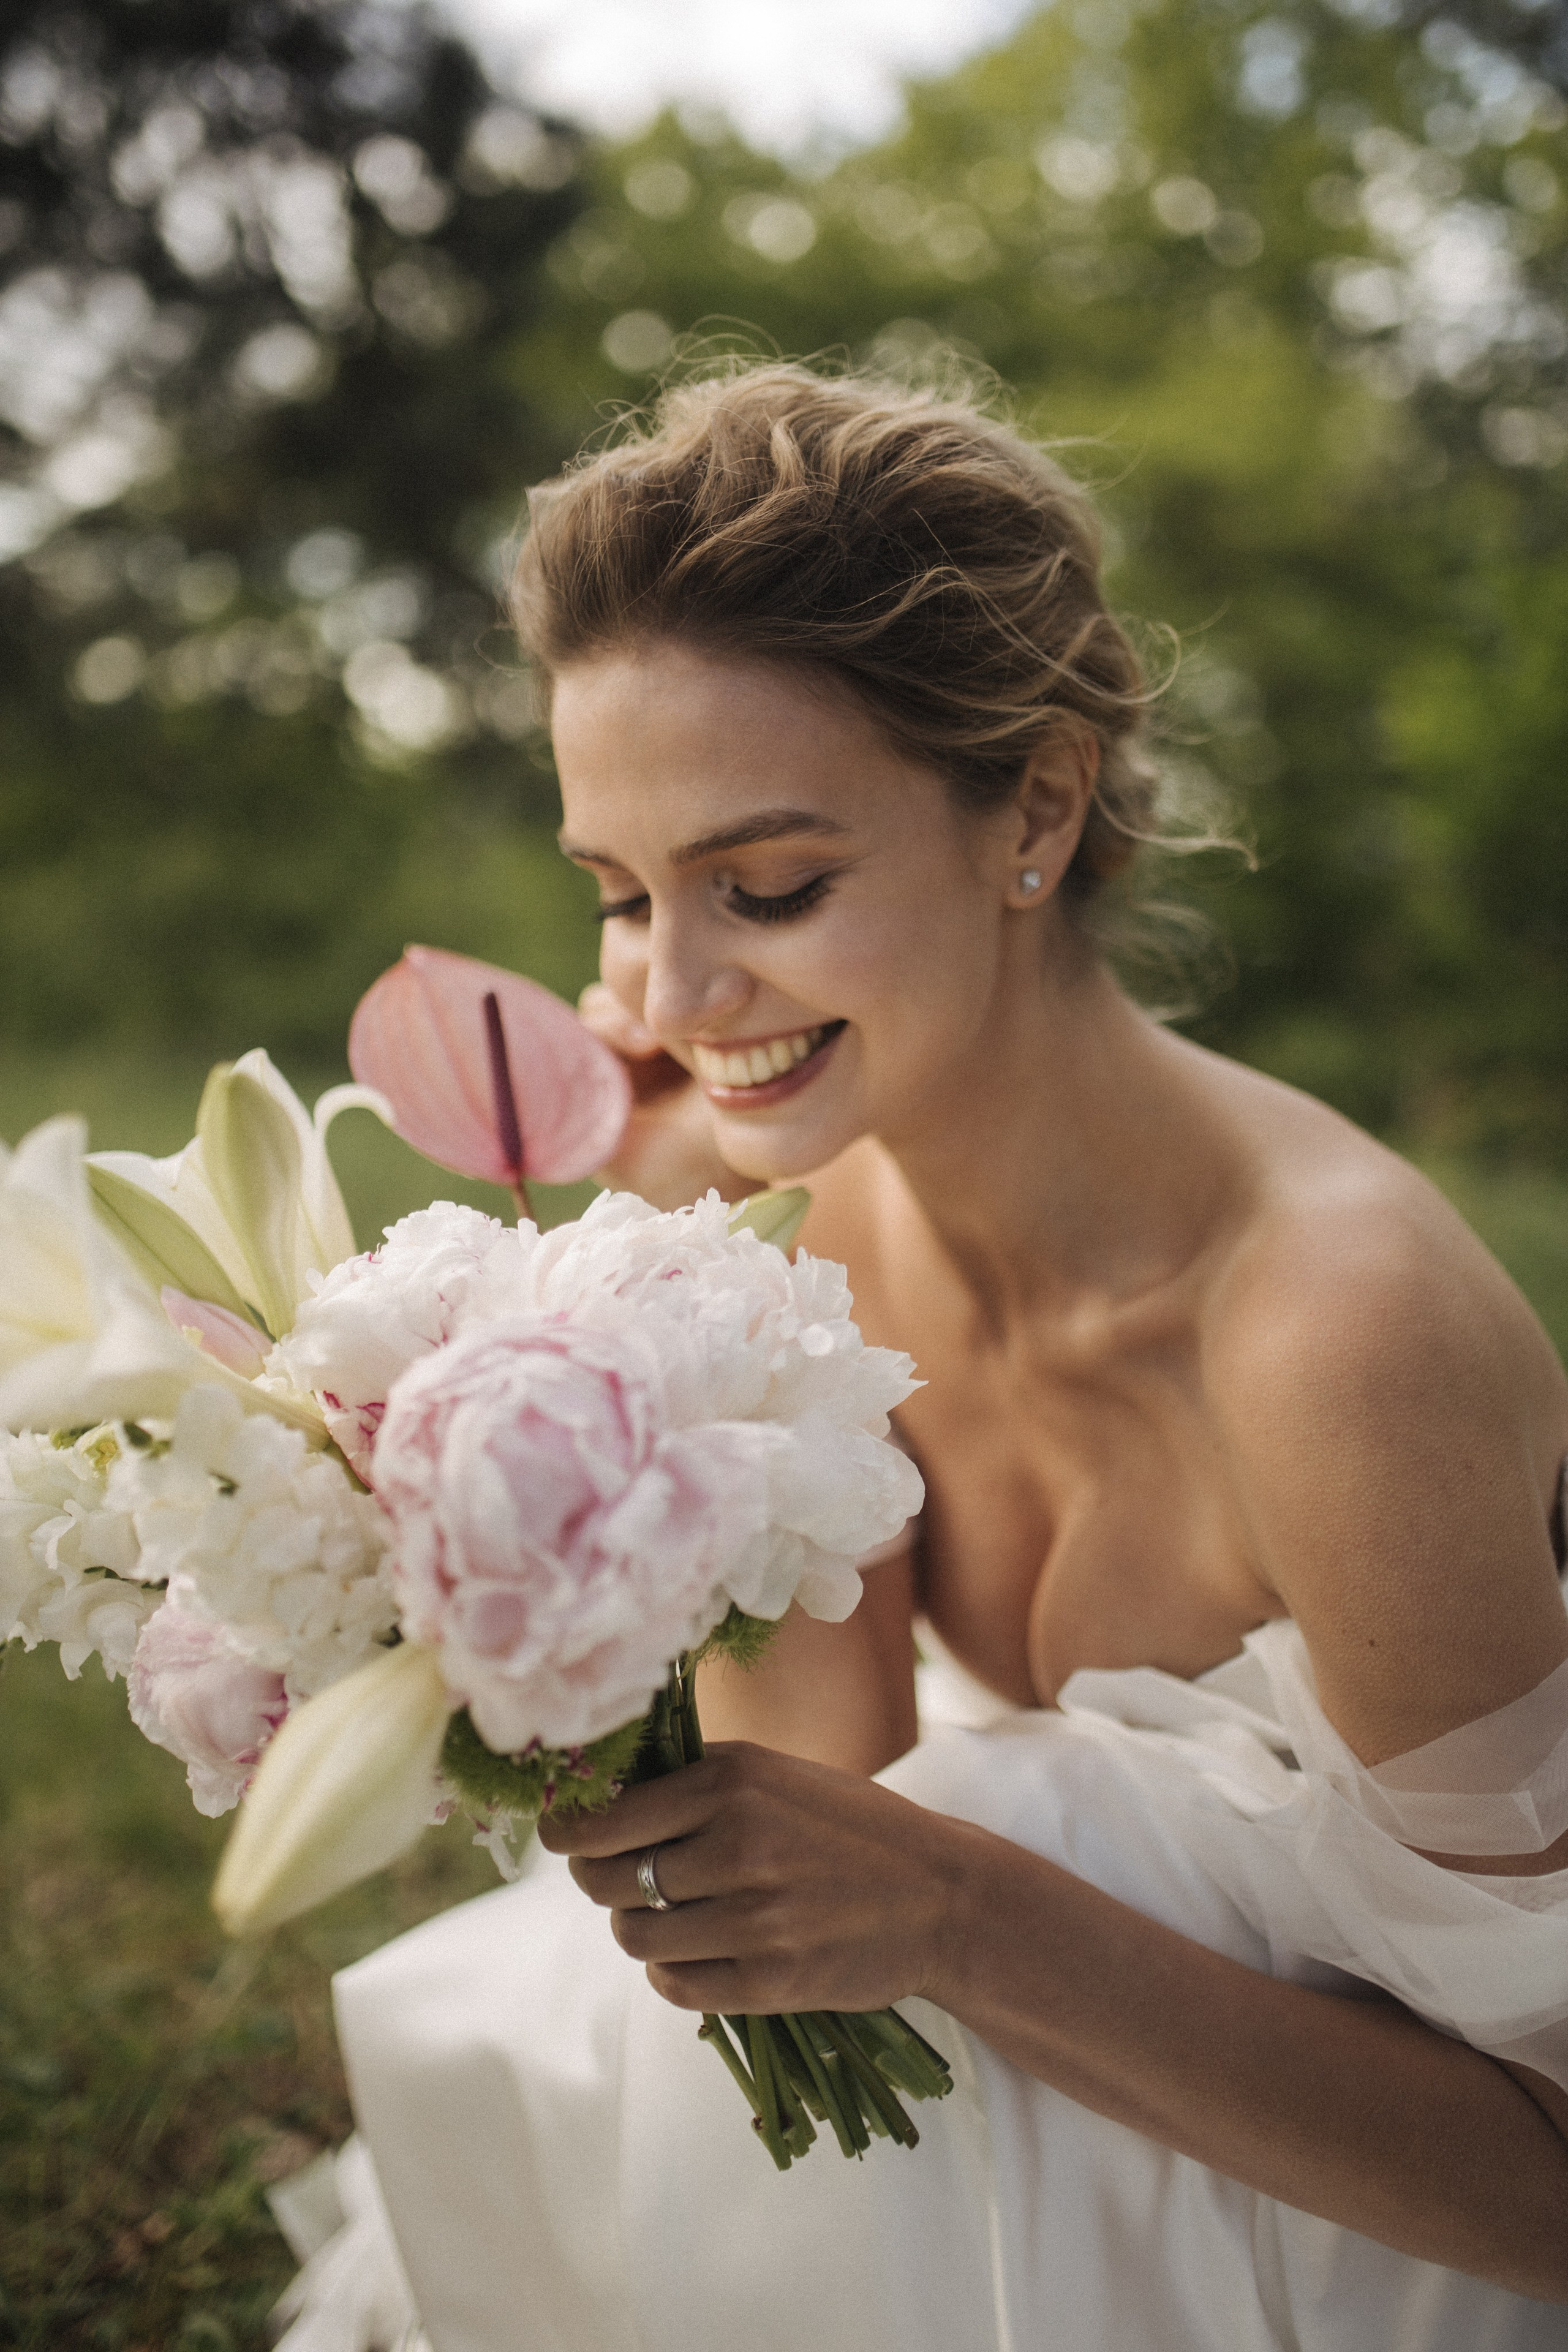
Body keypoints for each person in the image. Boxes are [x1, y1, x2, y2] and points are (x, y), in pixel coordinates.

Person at [279, 363, 1568, 2352]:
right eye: (619, 897)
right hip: (1082, 2123)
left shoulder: (1335, 1335)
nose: (676, 993)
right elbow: (824, 1797)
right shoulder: (777, 1223)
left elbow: (1553, 2187)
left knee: (1020, 1833)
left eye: (771, 887)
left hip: (1394, 2224)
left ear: (1035, 808)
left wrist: (959, 1911)